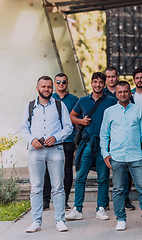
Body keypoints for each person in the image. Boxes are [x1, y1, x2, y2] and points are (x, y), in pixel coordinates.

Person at [100, 81, 142, 231]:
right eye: (120, 92)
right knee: (118, 189)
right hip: (117, 157)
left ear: (130, 93)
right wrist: (105, 154)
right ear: (116, 94)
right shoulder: (109, 112)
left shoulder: (138, 110)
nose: (123, 94)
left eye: (126, 91)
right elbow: (104, 135)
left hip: (136, 157)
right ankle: (120, 218)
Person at [20, 76, 73, 232]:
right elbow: (24, 128)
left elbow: (68, 128)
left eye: (49, 87)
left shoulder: (59, 105)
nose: (46, 89)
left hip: (55, 150)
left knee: (58, 187)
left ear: (52, 88)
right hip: (35, 152)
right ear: (37, 89)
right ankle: (36, 221)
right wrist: (32, 139)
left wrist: (56, 137)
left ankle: (60, 220)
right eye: (43, 87)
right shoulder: (30, 106)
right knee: (36, 187)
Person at [66, 72, 117, 221]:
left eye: (100, 82)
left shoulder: (111, 101)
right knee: (81, 176)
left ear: (104, 83)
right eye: (95, 81)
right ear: (91, 83)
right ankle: (77, 209)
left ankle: (101, 208)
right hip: (87, 143)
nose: (98, 84)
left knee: (103, 178)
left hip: (104, 144)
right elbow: (71, 116)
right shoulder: (83, 101)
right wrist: (81, 122)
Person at [42, 73, 79, 211]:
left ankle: (64, 200)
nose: (61, 84)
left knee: (67, 171)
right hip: (51, 141)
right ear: (54, 84)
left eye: (63, 82)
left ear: (67, 83)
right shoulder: (49, 99)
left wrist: (76, 139)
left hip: (68, 140)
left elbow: (76, 120)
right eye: (58, 82)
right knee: (47, 170)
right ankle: (46, 200)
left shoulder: (74, 99)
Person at [104, 66, 135, 210]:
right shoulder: (101, 93)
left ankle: (126, 198)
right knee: (106, 172)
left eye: (113, 76)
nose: (111, 79)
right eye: (108, 77)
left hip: (125, 140)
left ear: (117, 77)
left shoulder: (127, 95)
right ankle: (104, 201)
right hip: (108, 138)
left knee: (125, 171)